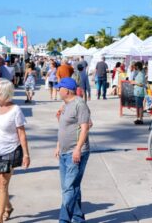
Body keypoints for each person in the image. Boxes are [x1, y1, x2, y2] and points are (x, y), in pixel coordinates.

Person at [0, 78, 30, 223]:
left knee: (3, 184)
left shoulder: (15, 110)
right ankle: (8, 206)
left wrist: (26, 154)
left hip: (9, 151)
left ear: (6, 94)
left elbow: (22, 134)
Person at [54, 77, 91, 223]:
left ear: (67, 90)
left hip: (75, 153)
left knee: (68, 189)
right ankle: (78, 218)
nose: (58, 90)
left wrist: (78, 148)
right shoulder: (65, 105)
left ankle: (64, 220)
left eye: (60, 88)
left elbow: (86, 126)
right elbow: (65, 128)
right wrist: (58, 146)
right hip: (64, 152)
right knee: (71, 187)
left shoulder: (79, 104)